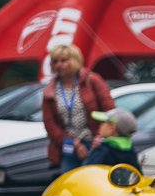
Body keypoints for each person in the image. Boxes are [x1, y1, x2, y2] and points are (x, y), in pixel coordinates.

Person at [41, 44, 115, 172]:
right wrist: (73, 143)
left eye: (63, 60)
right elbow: (50, 123)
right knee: (69, 183)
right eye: (55, 62)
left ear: (75, 61)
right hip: (69, 145)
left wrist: (100, 137)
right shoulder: (50, 89)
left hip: (95, 143)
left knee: (91, 182)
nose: (59, 65)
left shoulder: (92, 80)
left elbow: (110, 110)